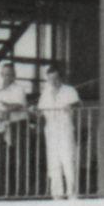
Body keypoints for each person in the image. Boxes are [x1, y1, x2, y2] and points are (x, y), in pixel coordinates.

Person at [37, 62, 83, 199]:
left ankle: (72, 194)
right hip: (51, 131)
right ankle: (57, 195)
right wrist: (36, 111)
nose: (53, 82)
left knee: (68, 160)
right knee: (53, 162)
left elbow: (79, 103)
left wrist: (71, 105)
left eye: (56, 78)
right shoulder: (45, 93)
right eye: (50, 79)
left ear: (60, 77)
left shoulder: (69, 90)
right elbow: (40, 110)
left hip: (65, 130)